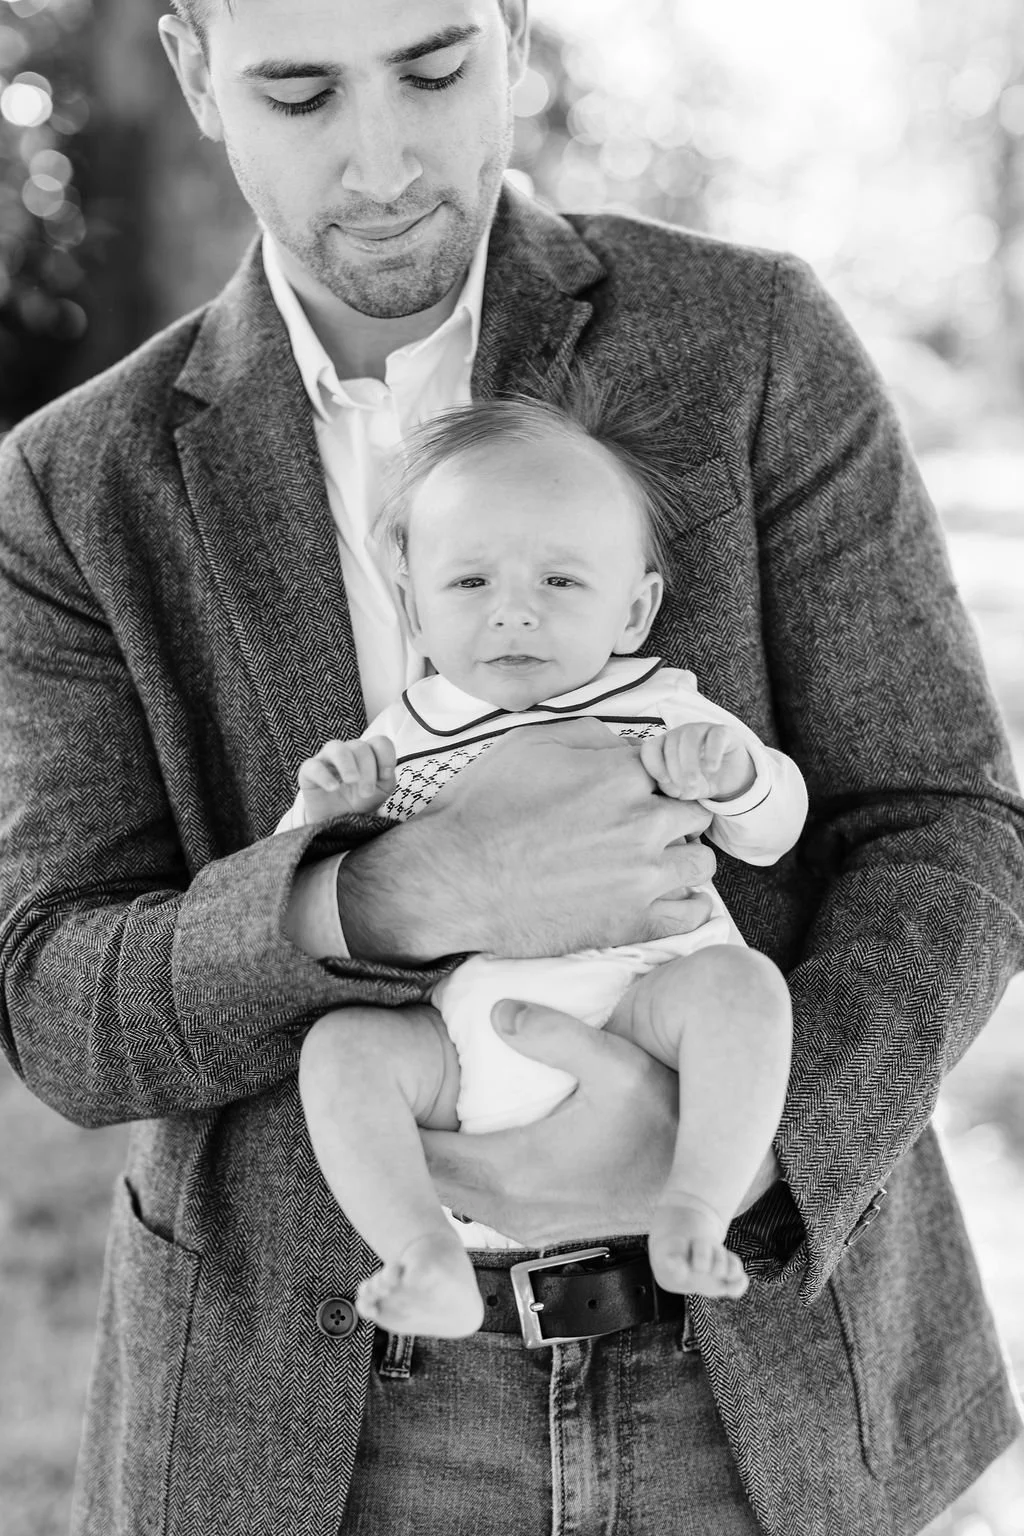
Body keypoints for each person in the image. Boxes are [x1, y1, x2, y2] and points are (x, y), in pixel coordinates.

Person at [0, 0, 1021, 1532]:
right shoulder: (72, 485)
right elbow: (61, 1002)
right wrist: (398, 892)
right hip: (315, 1424)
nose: (385, 159)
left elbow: (951, 828)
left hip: (759, 1372)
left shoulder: (750, 340)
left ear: (514, 31)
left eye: (432, 67)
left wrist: (748, 1154)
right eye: (301, 92)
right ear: (198, 71)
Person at [282, 392, 806, 1335]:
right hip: (454, 1043)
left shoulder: (661, 707)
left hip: (650, 1008)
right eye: (471, 585)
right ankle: (422, 1252)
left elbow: (773, 831)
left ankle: (695, 1203)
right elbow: (291, 898)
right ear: (412, 603)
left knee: (744, 991)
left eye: (560, 584)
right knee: (343, 1050)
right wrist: (328, 815)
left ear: (635, 607)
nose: (514, 615)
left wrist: (734, 778)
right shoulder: (402, 737)